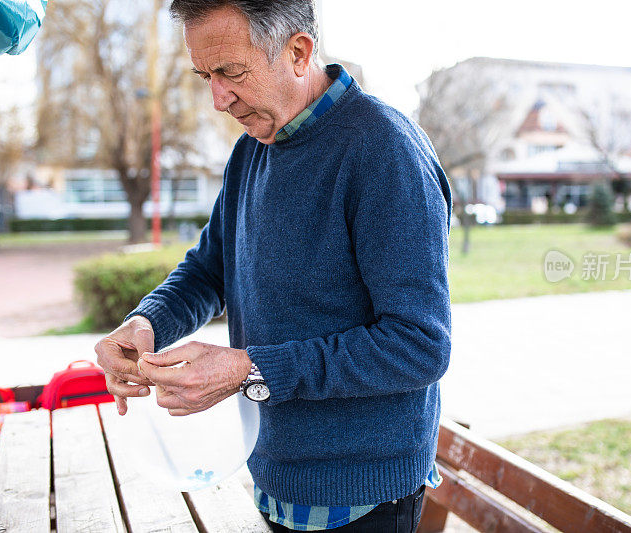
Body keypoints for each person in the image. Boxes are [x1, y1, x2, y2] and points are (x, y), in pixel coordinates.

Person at [93, 1, 452, 531]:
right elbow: (210, 268)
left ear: (299, 52)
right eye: (204, 76)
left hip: (363, 496)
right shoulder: (251, 151)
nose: (218, 99)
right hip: (270, 473)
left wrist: (248, 367)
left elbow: (419, 345)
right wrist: (148, 322)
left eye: (230, 72)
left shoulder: (384, 152)